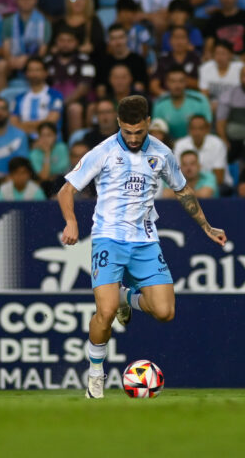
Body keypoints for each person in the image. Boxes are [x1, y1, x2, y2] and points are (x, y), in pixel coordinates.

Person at [57, 95, 227, 400]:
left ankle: (126, 297)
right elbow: (66, 190)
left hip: (145, 241)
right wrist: (71, 222)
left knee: (165, 311)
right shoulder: (104, 151)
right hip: (108, 238)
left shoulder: (162, 153)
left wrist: (206, 226)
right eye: (128, 132)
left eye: (139, 132)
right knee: (105, 312)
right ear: (119, 124)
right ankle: (95, 375)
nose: (134, 138)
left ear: (148, 123)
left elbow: (183, 190)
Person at [43, 30, 93, 136]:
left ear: (76, 43)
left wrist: (63, 102)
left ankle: (75, 143)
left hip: (75, 101)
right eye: (62, 40)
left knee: (74, 109)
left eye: (69, 41)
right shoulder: (48, 61)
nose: (65, 44)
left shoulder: (84, 60)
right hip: (50, 101)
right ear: (56, 42)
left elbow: (84, 86)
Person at [0, 0, 50, 92]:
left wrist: (27, 59)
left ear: (35, 0)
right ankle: (0, 99)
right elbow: (6, 48)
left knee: (35, 66)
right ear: (16, 0)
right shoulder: (8, 21)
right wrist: (11, 60)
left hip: (33, 59)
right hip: (13, 61)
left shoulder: (44, 22)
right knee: (1, 65)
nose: (26, 1)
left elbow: (42, 51)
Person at [153, 66, 212, 140]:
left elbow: (207, 127)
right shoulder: (159, 103)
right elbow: (156, 132)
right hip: (168, 144)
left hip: (195, 142)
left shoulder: (200, 100)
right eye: (173, 81)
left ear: (186, 82)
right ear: (167, 83)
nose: (177, 85)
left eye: (181, 81)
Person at [11, 56, 63, 138]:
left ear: (45, 73)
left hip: (50, 141)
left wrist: (24, 125)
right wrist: (39, 124)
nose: (34, 74)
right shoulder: (18, 98)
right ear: (26, 74)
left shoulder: (56, 96)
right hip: (24, 141)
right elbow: (13, 125)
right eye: (31, 70)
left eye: (37, 70)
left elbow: (50, 123)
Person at [174, 114, 230, 186]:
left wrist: (200, 187)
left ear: (207, 129)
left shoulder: (218, 144)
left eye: (201, 128)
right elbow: (176, 174)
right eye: (193, 128)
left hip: (217, 185)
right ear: (188, 130)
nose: (197, 132)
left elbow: (219, 178)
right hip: (187, 184)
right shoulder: (180, 145)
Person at [150, 26, 200, 97]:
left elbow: (202, 84)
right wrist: (168, 97)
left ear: (188, 40)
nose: (179, 41)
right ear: (170, 40)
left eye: (182, 37)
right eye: (176, 37)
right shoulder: (162, 60)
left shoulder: (196, 59)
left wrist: (182, 81)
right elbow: (154, 86)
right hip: (167, 98)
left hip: (191, 98)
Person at [99, 25, 149, 95]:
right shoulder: (103, 62)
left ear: (127, 38)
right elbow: (101, 88)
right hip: (110, 99)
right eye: (113, 38)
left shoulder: (138, 61)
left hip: (133, 98)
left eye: (121, 37)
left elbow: (141, 86)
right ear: (109, 41)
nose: (118, 42)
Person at [198, 40, 243, 113]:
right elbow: (204, 94)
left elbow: (241, 94)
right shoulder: (205, 68)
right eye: (217, 53)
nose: (220, 57)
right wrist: (209, 107)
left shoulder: (240, 68)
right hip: (211, 108)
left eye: (223, 54)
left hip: (233, 107)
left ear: (231, 55)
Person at [29, 122, 69, 196]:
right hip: (45, 186)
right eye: (42, 135)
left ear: (55, 136)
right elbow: (44, 176)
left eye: (49, 135)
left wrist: (49, 175)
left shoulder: (62, 148)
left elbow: (63, 170)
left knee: (59, 180)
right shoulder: (34, 154)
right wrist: (47, 153)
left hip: (62, 183)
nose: (45, 139)